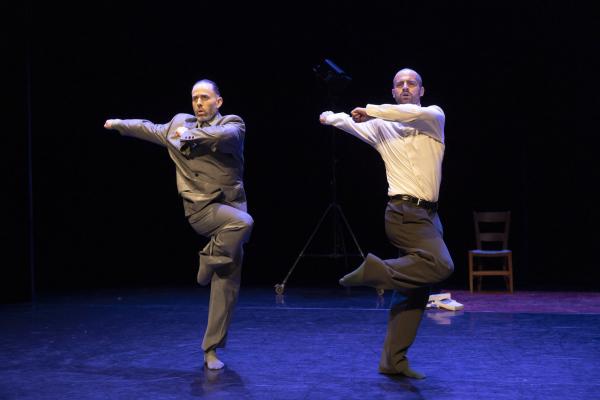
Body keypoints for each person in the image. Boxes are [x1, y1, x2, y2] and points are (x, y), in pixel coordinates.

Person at [104, 79, 253, 370]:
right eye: (195, 98)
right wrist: (121, 124)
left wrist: (190, 135)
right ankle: (207, 258)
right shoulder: (178, 124)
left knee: (227, 284)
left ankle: (211, 350)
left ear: (218, 102)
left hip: (231, 207)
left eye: (205, 97)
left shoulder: (234, 124)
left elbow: (223, 136)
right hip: (201, 209)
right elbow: (148, 128)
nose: (199, 103)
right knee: (244, 223)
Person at [319, 68, 454, 379]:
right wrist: (329, 117)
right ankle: (376, 271)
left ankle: (393, 361)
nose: (405, 87)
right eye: (399, 84)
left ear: (421, 90)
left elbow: (403, 114)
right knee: (441, 265)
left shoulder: (434, 117)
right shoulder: (382, 128)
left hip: (430, 215)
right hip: (403, 213)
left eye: (411, 83)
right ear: (393, 92)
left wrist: (371, 110)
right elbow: (350, 123)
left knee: (414, 291)